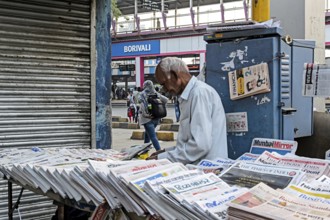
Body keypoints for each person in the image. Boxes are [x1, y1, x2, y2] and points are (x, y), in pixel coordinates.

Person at [147, 57, 228, 164]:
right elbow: (190, 142)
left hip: (205, 168)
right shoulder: (189, 95)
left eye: (164, 84)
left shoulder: (199, 93)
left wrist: (163, 158)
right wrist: (165, 152)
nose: (165, 90)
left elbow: (200, 145)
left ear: (175, 75)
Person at [139, 80, 168, 151]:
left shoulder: (142, 94)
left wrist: (146, 115)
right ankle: (145, 150)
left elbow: (142, 105)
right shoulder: (156, 93)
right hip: (156, 118)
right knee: (147, 134)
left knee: (152, 136)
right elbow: (166, 100)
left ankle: (159, 151)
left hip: (147, 119)